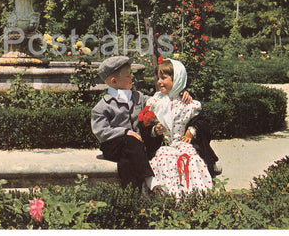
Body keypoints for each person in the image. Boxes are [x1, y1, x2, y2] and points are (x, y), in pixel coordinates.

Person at [91, 56, 191, 194]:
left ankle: (134, 198)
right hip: (114, 146)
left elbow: (160, 99)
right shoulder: (102, 107)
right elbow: (100, 131)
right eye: (127, 76)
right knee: (131, 141)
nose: (131, 77)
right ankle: (152, 182)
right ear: (114, 81)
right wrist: (124, 132)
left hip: (135, 148)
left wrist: (179, 93)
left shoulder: (138, 97)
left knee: (127, 162)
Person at [139, 58, 220, 198]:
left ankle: (193, 196)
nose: (159, 82)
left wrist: (191, 131)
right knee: (165, 157)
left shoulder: (188, 103)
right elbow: (144, 124)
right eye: (158, 78)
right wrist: (154, 131)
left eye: (163, 78)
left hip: (182, 143)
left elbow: (204, 123)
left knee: (189, 157)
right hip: (162, 146)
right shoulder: (155, 101)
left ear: (177, 80)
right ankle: (168, 196)